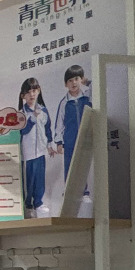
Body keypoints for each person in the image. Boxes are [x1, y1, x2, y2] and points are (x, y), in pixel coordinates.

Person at [53, 63, 92, 199]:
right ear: (66, 84)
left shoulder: (87, 97)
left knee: (83, 163)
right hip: (70, 139)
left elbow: (98, 89)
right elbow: (59, 123)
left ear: (81, 79)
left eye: (76, 79)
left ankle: (84, 191)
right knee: (69, 164)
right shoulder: (64, 103)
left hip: (85, 136)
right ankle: (69, 191)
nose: (74, 83)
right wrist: (59, 142)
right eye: (70, 80)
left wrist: (88, 82)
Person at [18, 77, 52, 216]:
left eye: (34, 90)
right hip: (27, 153)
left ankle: (38, 202)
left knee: (39, 178)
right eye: (28, 92)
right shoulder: (21, 113)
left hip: (40, 151)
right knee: (29, 180)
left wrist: (49, 144)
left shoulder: (43, 110)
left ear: (39, 91)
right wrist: (32, 118)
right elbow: (22, 131)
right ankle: (28, 204)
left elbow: (47, 128)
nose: (32, 94)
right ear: (23, 96)